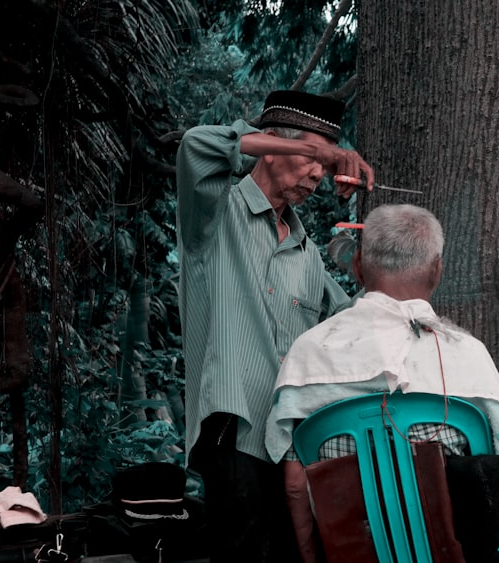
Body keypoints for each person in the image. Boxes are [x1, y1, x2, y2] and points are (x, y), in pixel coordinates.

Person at [265, 204, 499, 563]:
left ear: (357, 265)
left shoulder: (308, 353)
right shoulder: (467, 356)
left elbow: (296, 486)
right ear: (437, 270)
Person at [174, 89, 374, 562]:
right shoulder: (214, 212)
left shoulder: (307, 253)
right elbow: (195, 146)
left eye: (323, 165)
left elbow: (351, 322)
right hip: (234, 429)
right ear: (270, 144)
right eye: (308, 156)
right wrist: (311, 149)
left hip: (291, 444)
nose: (315, 173)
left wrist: (378, 268)